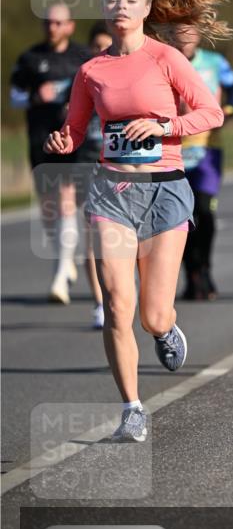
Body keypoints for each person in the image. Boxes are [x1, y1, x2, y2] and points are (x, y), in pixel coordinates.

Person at [43, 0, 227, 441]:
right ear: (103, 8)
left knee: (152, 314)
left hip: (165, 191)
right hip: (112, 194)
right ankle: (132, 408)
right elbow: (75, 131)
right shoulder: (91, 71)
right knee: (116, 304)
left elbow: (212, 113)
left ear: (146, 7)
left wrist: (165, 127)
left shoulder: (167, 59)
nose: (120, 6)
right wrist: (63, 141)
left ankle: (165, 330)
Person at [10, 3, 91, 303]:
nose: (52, 27)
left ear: (70, 26)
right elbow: (14, 96)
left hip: (71, 140)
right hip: (40, 139)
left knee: (66, 200)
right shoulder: (30, 58)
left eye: (58, 23)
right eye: (48, 22)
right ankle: (64, 259)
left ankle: (60, 276)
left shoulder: (83, 57)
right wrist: (34, 96)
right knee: (48, 209)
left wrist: (78, 105)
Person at [170, 24, 233, 300]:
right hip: (173, 148)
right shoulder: (163, 60)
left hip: (207, 148)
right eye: (179, 32)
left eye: (190, 32)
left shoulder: (214, 62)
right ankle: (192, 275)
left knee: (204, 211)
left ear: (198, 35)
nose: (185, 38)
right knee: (181, 217)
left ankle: (205, 268)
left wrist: (228, 110)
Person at [80, 22, 114, 328]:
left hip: (118, 167)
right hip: (87, 164)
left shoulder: (123, 78)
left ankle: (121, 289)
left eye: (106, 45)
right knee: (93, 239)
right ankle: (100, 303)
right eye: (96, 46)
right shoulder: (82, 77)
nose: (101, 51)